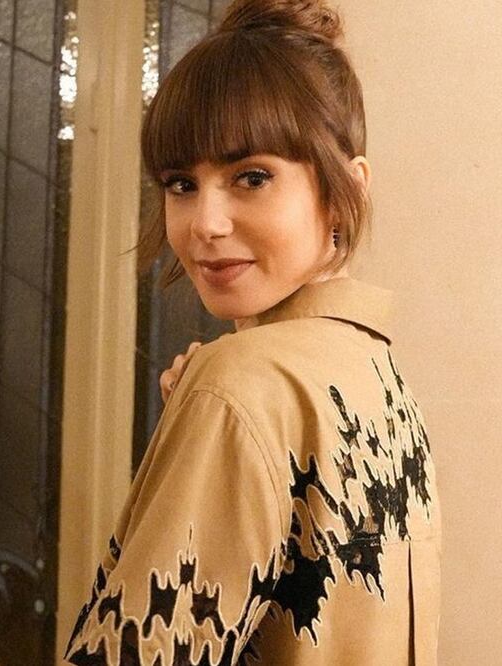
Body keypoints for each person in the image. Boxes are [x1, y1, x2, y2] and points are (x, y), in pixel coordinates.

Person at [63, 1, 440, 664]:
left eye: (252, 178)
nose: (204, 223)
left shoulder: (242, 382)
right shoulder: (379, 375)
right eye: (182, 184)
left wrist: (220, 408)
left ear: (346, 190)